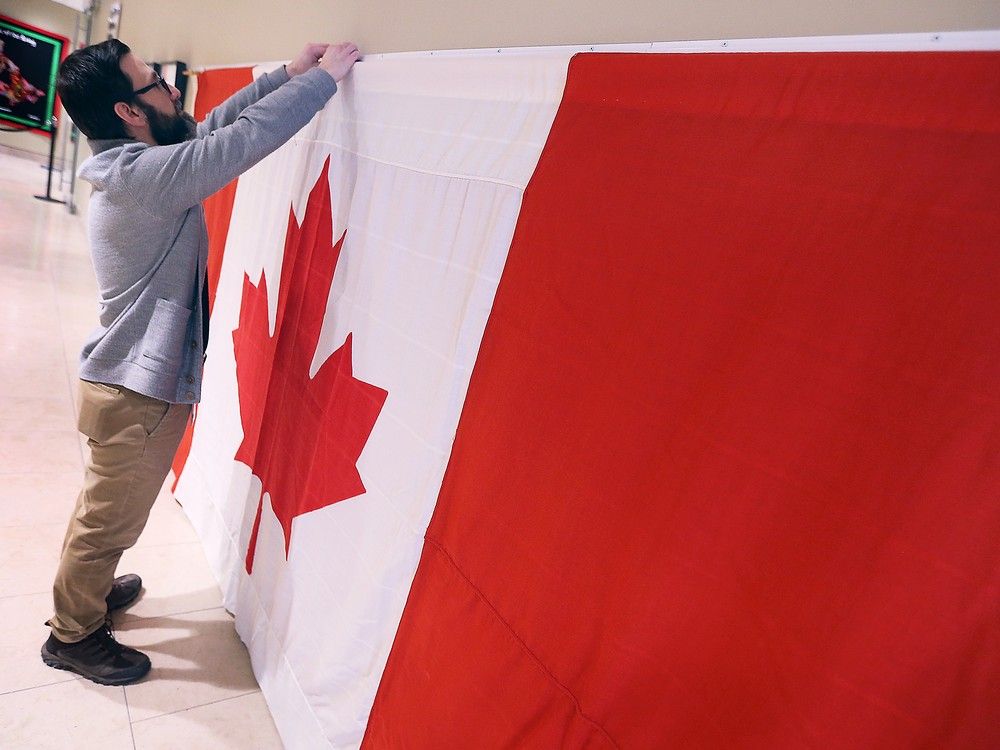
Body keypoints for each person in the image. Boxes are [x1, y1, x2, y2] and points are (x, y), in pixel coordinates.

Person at [40, 37, 360, 686]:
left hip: (127, 387)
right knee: (106, 522)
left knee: (107, 512)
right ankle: (72, 635)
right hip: (136, 395)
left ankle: (90, 594)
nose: (168, 89)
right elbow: (236, 143)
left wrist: (287, 75)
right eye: (154, 82)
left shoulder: (139, 165)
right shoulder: (147, 179)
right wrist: (323, 81)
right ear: (129, 111)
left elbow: (210, 131)